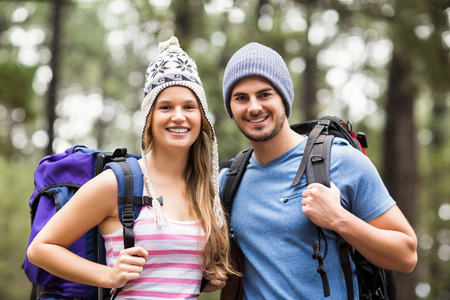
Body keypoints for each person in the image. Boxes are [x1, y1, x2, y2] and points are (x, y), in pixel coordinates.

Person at [27, 36, 236, 299]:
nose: (179, 116)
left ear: (202, 118)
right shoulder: (119, 182)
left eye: (189, 106)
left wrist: (207, 280)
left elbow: (174, 274)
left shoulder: (206, 190)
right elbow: (40, 249)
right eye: (166, 107)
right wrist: (109, 275)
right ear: (149, 118)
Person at [219, 42, 418, 299]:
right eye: (241, 98)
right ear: (231, 108)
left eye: (265, 94)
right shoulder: (229, 183)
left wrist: (338, 219)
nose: (254, 107)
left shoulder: (341, 161)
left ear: (284, 97)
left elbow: (407, 255)